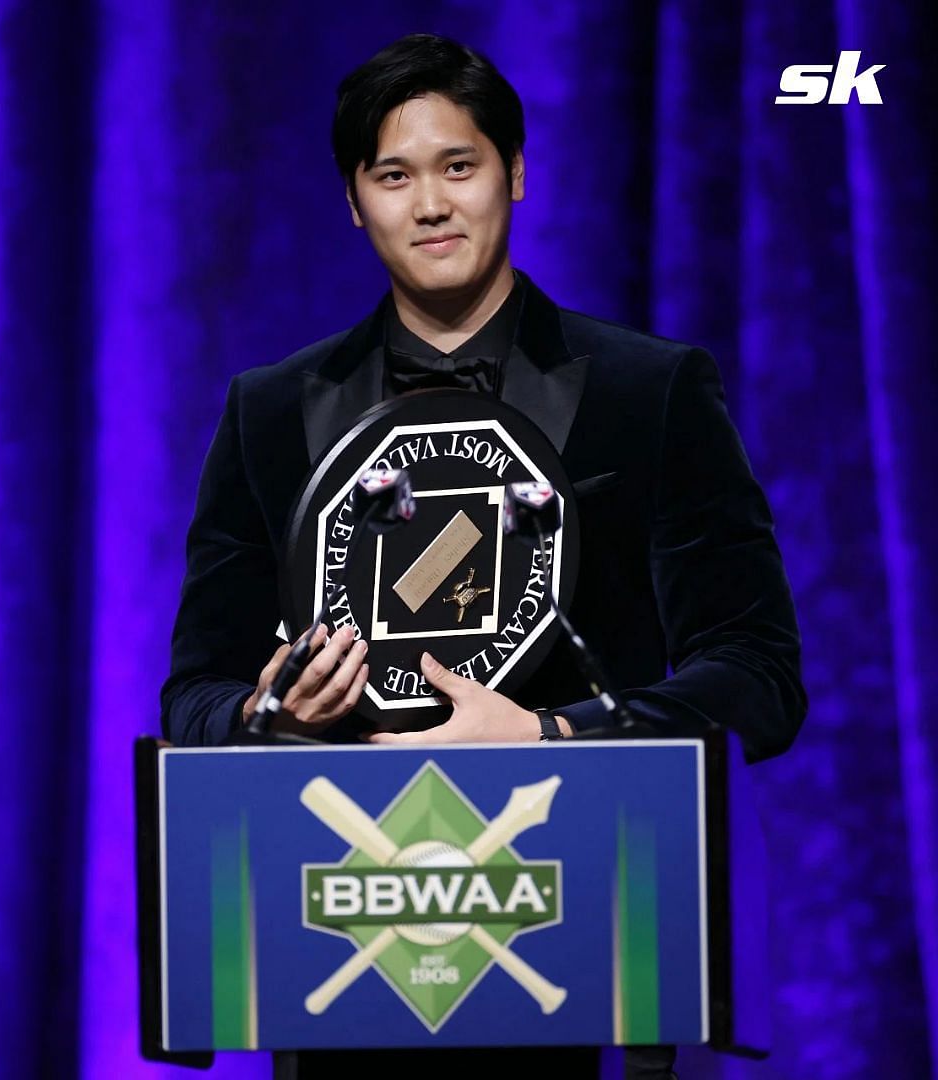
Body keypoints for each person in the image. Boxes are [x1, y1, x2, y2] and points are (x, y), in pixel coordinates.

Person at [160, 33, 804, 1078]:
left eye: (458, 165)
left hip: (585, 952)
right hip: (342, 961)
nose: (430, 204)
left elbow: (761, 681)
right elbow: (192, 698)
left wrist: (553, 730)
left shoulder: (652, 393)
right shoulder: (272, 413)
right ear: (353, 202)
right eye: (393, 175)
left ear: (515, 172)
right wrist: (270, 713)